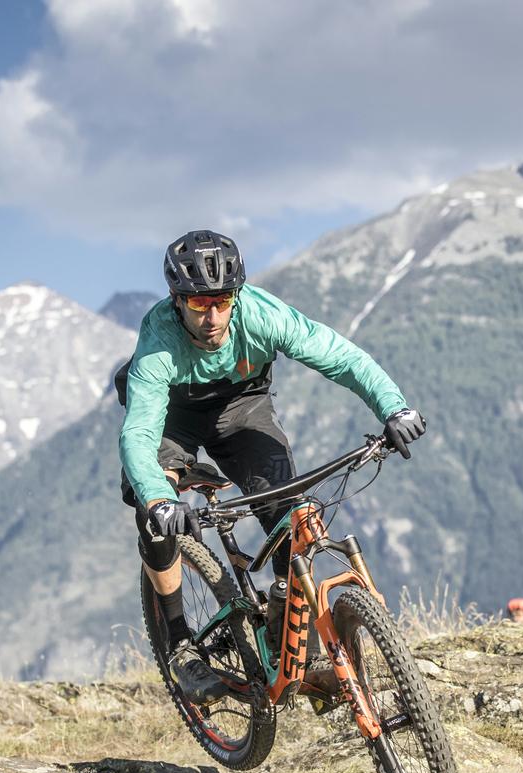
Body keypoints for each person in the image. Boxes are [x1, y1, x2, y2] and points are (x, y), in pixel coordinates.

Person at [117, 229, 426, 703]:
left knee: (292, 518)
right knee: (152, 515)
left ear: (237, 294)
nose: (213, 316)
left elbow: (341, 357)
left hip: (242, 409)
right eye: (199, 305)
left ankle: (292, 649)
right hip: (171, 418)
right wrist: (160, 498)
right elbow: (139, 433)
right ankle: (181, 646)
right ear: (177, 301)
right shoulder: (158, 341)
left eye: (222, 300)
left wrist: (394, 409)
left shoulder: (261, 314)